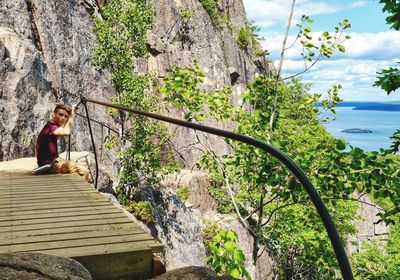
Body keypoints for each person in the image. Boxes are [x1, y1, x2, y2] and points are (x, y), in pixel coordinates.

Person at [35, 103, 90, 181]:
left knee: (72, 166)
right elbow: (66, 132)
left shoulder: (50, 126)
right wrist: (72, 115)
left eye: (65, 116)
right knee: (84, 171)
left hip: (48, 163)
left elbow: (63, 127)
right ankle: (80, 192)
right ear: (54, 114)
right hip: (49, 165)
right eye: (60, 115)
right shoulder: (51, 127)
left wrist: (72, 111)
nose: (63, 118)